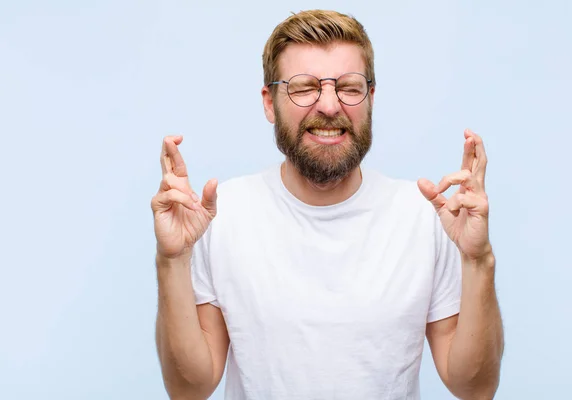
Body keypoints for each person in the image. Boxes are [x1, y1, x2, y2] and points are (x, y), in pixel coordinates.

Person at [151, 9, 504, 400]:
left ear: (370, 98)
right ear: (270, 102)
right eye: (304, 87)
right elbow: (190, 389)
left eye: (349, 87)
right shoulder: (219, 215)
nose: (330, 106)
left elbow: (475, 388)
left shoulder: (424, 215)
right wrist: (172, 261)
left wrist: (478, 260)